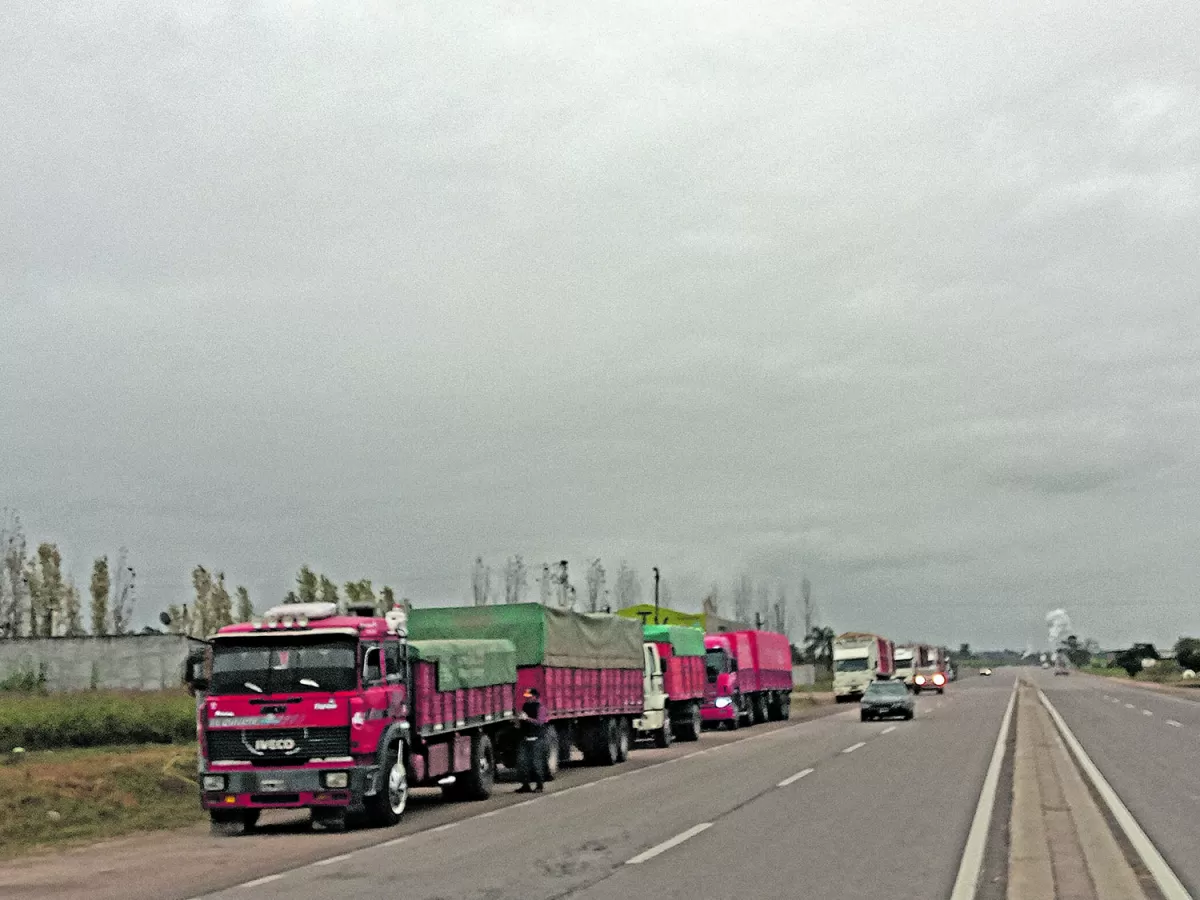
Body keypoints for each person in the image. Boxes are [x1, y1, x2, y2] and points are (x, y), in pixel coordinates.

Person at [516, 687, 548, 793]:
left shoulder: (540, 707)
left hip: (537, 739)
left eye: (529, 697)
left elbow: (540, 722)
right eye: (526, 697)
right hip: (525, 738)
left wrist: (527, 719)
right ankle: (525, 785)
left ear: (535, 697)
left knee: (536, 763)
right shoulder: (525, 706)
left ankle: (539, 785)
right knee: (522, 763)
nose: (527, 699)